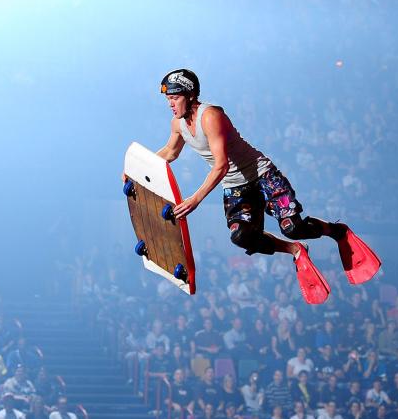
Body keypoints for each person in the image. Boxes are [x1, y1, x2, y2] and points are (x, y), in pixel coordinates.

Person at [148, 68, 380, 303]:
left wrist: (194, 200)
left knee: (293, 227)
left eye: (174, 98)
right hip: (236, 187)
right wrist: (140, 166)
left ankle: (337, 231)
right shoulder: (178, 124)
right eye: (168, 99)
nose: (170, 104)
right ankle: (295, 251)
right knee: (241, 237)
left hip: (261, 175)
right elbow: (170, 151)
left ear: (190, 95)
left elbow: (221, 165)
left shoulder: (210, 116)